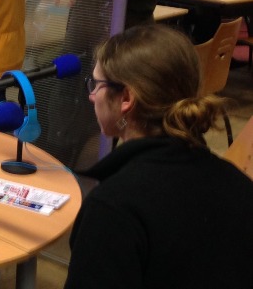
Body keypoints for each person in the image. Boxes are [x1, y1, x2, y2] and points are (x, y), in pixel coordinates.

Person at [64, 24, 253, 288]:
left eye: (96, 85)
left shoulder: (113, 208)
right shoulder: (240, 185)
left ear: (126, 98)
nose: (92, 96)